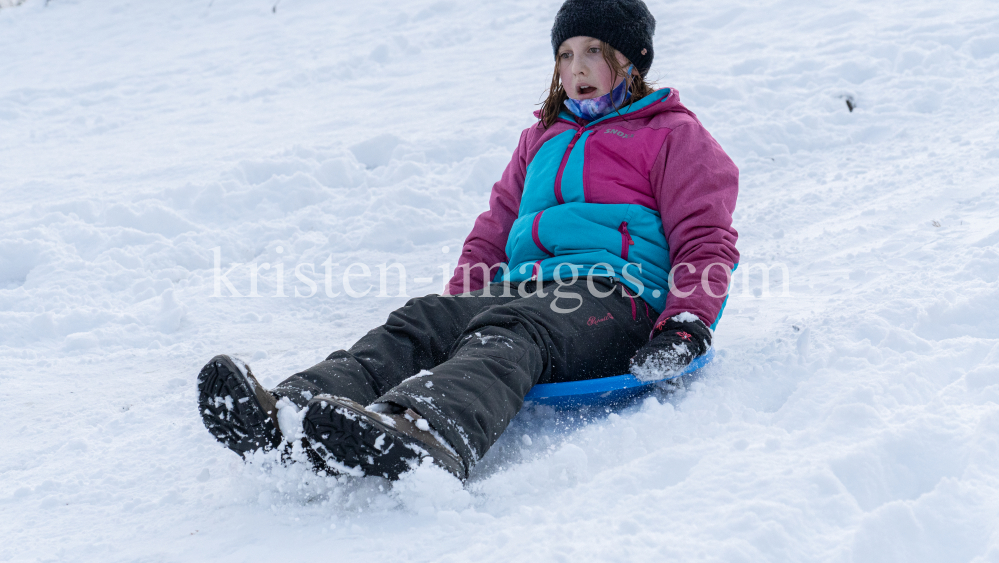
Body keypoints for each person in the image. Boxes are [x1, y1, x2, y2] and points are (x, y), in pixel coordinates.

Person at [197, 0, 739, 482]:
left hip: (614, 297)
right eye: (566, 54)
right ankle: (291, 410)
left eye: (594, 51)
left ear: (631, 60)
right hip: (528, 287)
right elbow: (495, 230)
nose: (576, 68)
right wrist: (460, 306)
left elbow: (706, 239)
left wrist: (686, 325)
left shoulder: (672, 135)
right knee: (424, 318)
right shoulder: (542, 138)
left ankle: (427, 431)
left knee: (515, 329)